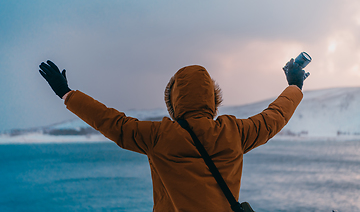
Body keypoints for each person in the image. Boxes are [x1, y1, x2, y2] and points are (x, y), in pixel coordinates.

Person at [39, 59, 306, 212]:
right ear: (213, 100)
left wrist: (67, 93)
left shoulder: (159, 136)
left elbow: (112, 122)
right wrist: (294, 86)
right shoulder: (234, 132)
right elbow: (274, 117)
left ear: (173, 100)